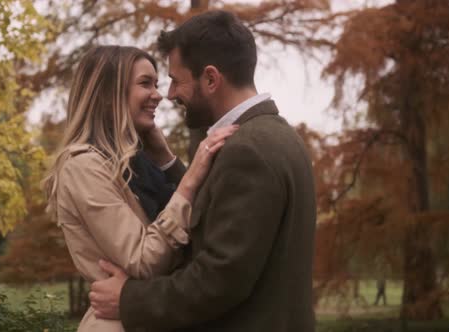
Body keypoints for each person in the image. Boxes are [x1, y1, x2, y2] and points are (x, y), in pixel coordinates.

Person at [90, 10, 317, 332]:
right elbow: (219, 211)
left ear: (210, 79)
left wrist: (129, 299)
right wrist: (168, 161)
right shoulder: (273, 135)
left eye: (175, 80)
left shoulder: (248, 150)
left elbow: (220, 279)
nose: (168, 95)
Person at [42, 45, 238, 332]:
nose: (158, 95)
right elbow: (143, 260)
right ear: (109, 95)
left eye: (156, 84)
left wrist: (167, 160)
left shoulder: (140, 164)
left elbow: (197, 223)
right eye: (145, 83)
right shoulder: (83, 167)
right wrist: (191, 177)